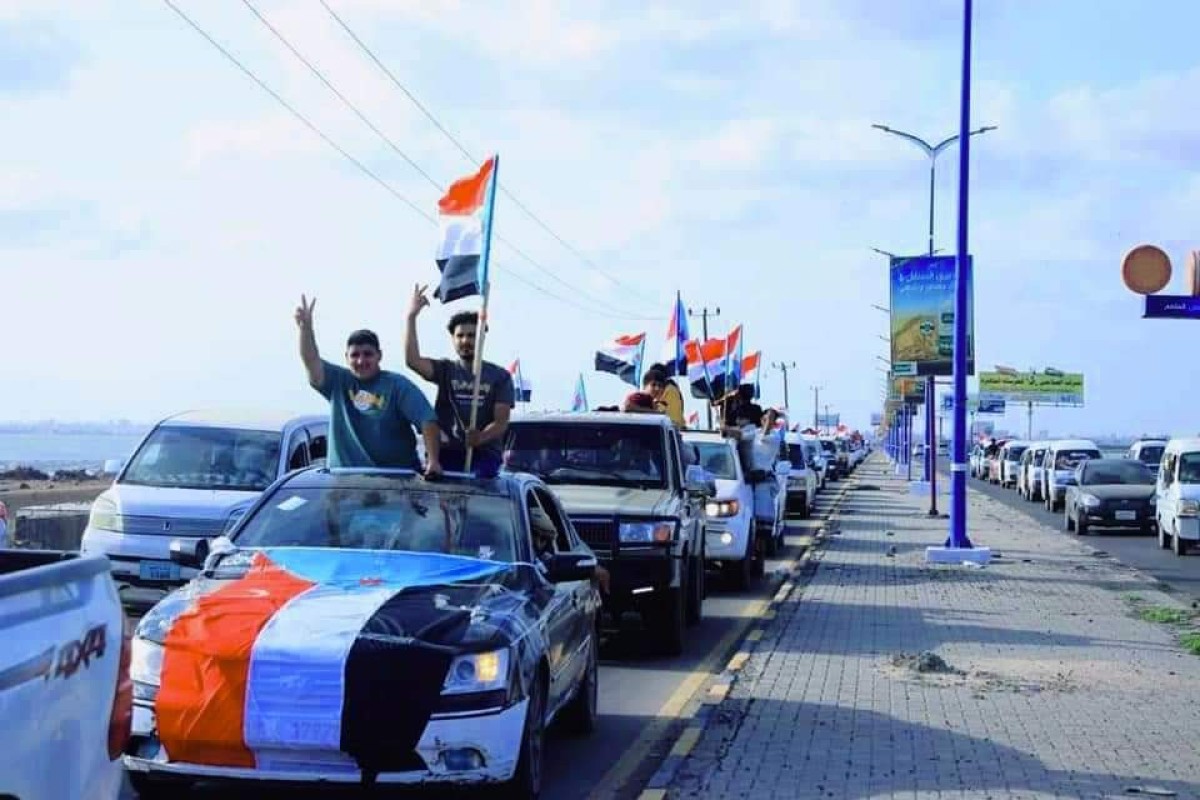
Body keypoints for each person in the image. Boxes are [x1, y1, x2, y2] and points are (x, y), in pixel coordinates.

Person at [295, 294, 442, 475]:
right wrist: (305, 329)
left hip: (395, 484)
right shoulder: (337, 381)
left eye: (367, 354)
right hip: (345, 484)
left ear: (379, 355)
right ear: (346, 358)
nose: (361, 360)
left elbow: (427, 420)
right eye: (355, 355)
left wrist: (433, 461)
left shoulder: (397, 385)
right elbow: (311, 360)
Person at [406, 284, 514, 478]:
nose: (465, 340)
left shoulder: (500, 377)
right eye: (460, 335)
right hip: (447, 453)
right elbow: (413, 361)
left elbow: (501, 422)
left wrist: (480, 438)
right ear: (453, 339)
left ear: (482, 337)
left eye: (472, 335)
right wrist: (411, 317)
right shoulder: (445, 370)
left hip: (484, 455)